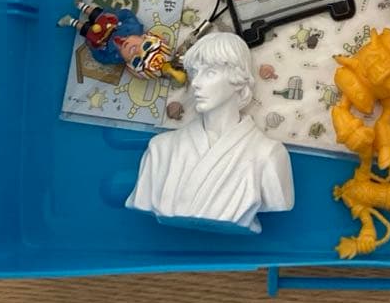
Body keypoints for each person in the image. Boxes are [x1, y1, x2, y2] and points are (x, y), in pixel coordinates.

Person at [126, 32, 294, 231]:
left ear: (238, 80)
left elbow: (279, 201)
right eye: (194, 73)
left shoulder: (269, 155)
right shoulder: (161, 149)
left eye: (210, 73)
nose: (195, 83)